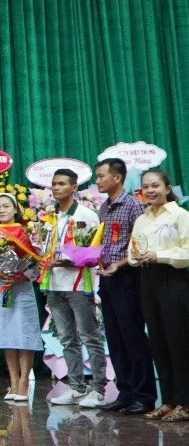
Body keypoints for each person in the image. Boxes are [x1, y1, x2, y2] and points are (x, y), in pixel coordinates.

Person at [93, 157, 156, 415]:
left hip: (128, 278)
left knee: (133, 337)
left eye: (101, 176)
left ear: (117, 178)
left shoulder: (132, 206)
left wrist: (119, 264)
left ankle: (145, 396)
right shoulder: (104, 209)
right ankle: (126, 392)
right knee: (115, 339)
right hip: (107, 279)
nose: (97, 181)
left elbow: (139, 246)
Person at [127, 168, 189, 422]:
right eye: (145, 187)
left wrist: (161, 255)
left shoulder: (180, 215)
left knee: (178, 341)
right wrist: (135, 257)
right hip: (148, 278)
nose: (150, 191)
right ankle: (169, 400)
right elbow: (133, 249)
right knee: (159, 342)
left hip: (174, 280)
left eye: (155, 186)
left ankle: (185, 403)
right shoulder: (142, 219)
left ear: (166, 187)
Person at [42, 168, 107, 407]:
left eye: (62, 183)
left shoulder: (85, 215)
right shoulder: (50, 217)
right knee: (67, 338)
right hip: (54, 282)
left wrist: (68, 260)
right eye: (54, 184)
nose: (57, 188)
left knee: (89, 336)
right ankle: (77, 387)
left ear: (74, 187)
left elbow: (90, 252)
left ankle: (99, 388)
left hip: (78, 283)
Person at [0, 193, 41, 402]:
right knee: (7, 335)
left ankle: (24, 381)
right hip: (0, 288)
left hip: (21, 289)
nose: (2, 210)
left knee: (23, 334)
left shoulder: (26, 233)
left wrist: (21, 276)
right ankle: (13, 381)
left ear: (15, 209)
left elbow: (38, 263)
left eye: (6, 206)